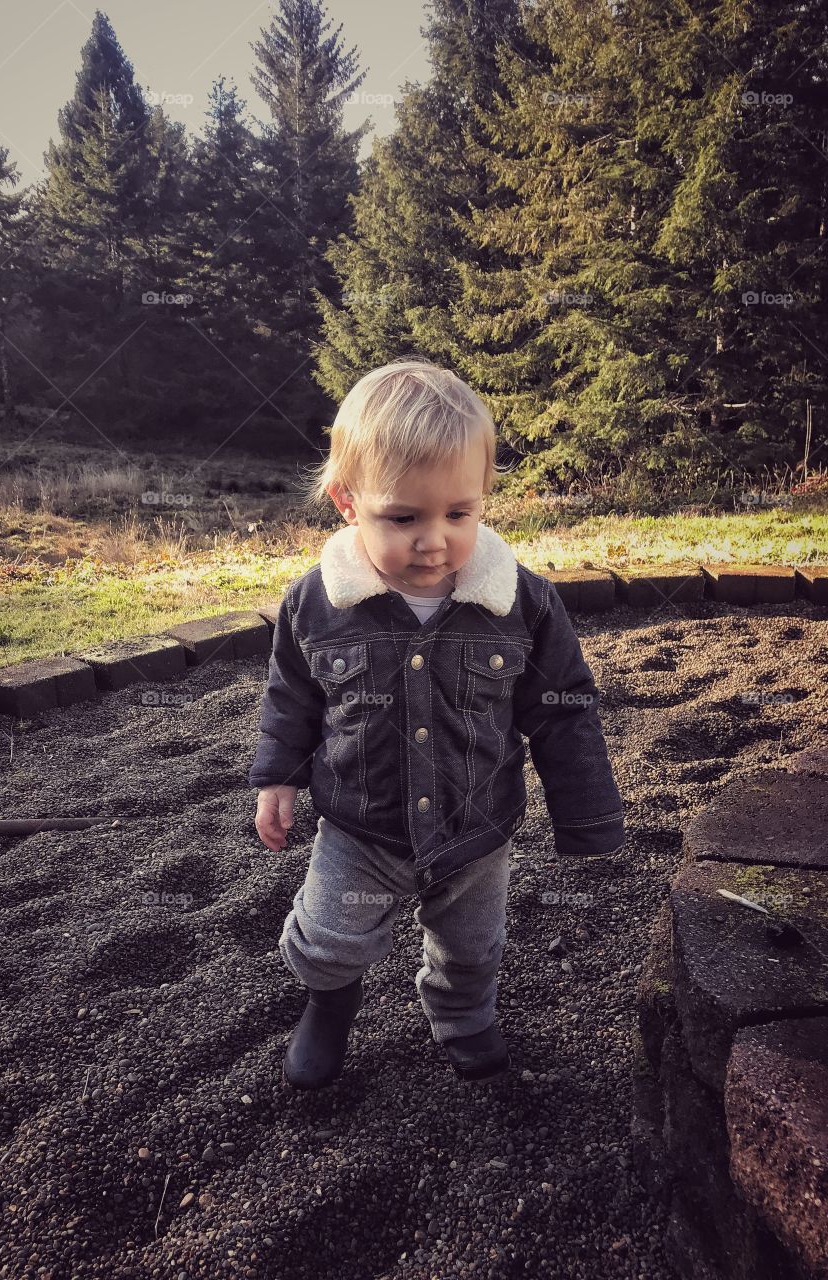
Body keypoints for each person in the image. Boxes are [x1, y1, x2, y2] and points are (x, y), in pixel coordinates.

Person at [249, 358, 625, 1090]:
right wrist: (279, 777)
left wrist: (587, 815)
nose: (434, 542)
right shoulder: (318, 604)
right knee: (328, 938)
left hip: (476, 828)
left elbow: (564, 709)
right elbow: (292, 694)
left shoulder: (523, 604)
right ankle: (330, 1004)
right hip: (361, 824)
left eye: (459, 513)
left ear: (484, 498)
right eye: (404, 517)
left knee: (471, 946)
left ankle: (463, 1018)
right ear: (346, 502)